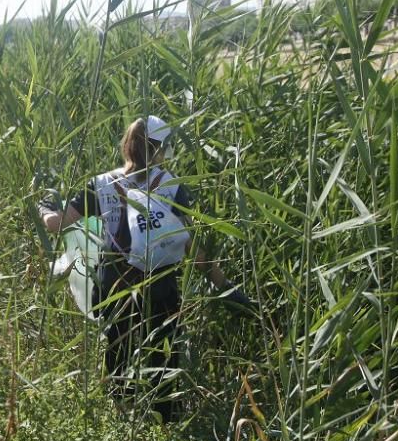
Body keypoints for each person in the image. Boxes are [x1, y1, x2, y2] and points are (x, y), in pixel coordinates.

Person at [38, 115, 250, 420]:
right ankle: (165, 422)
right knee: (163, 359)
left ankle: (122, 419)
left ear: (127, 146)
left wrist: (44, 207)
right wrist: (226, 288)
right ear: (161, 149)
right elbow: (191, 248)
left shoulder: (100, 184)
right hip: (160, 286)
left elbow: (58, 225)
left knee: (118, 356)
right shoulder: (171, 186)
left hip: (115, 285)